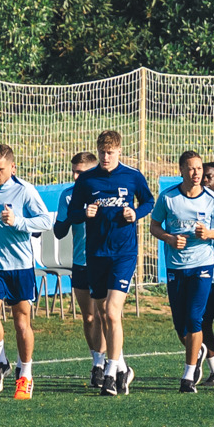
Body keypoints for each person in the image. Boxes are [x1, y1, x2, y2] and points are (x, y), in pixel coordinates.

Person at [63, 130, 155, 388]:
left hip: (123, 254)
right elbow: (73, 213)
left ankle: (111, 374)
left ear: (119, 152)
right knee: (101, 313)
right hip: (95, 254)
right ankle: (122, 368)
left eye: (110, 152)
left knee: (113, 312)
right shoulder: (87, 180)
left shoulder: (132, 176)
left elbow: (149, 201)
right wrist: (84, 211)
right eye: (102, 152)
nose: (105, 157)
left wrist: (135, 213)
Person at [0, 144, 60, 398]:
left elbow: (46, 220)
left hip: (20, 267)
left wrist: (18, 221)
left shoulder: (24, 190)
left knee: (21, 323)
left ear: (12, 167)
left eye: (0, 169)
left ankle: (26, 376)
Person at [157, 151, 214, 393]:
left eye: (199, 168)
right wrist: (169, 238)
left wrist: (210, 234)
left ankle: (188, 376)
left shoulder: (212, 200)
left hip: (203, 267)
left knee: (195, 318)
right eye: (191, 169)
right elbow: (155, 226)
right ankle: (199, 350)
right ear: (181, 170)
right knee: (180, 324)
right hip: (176, 268)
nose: (197, 173)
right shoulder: (168, 198)